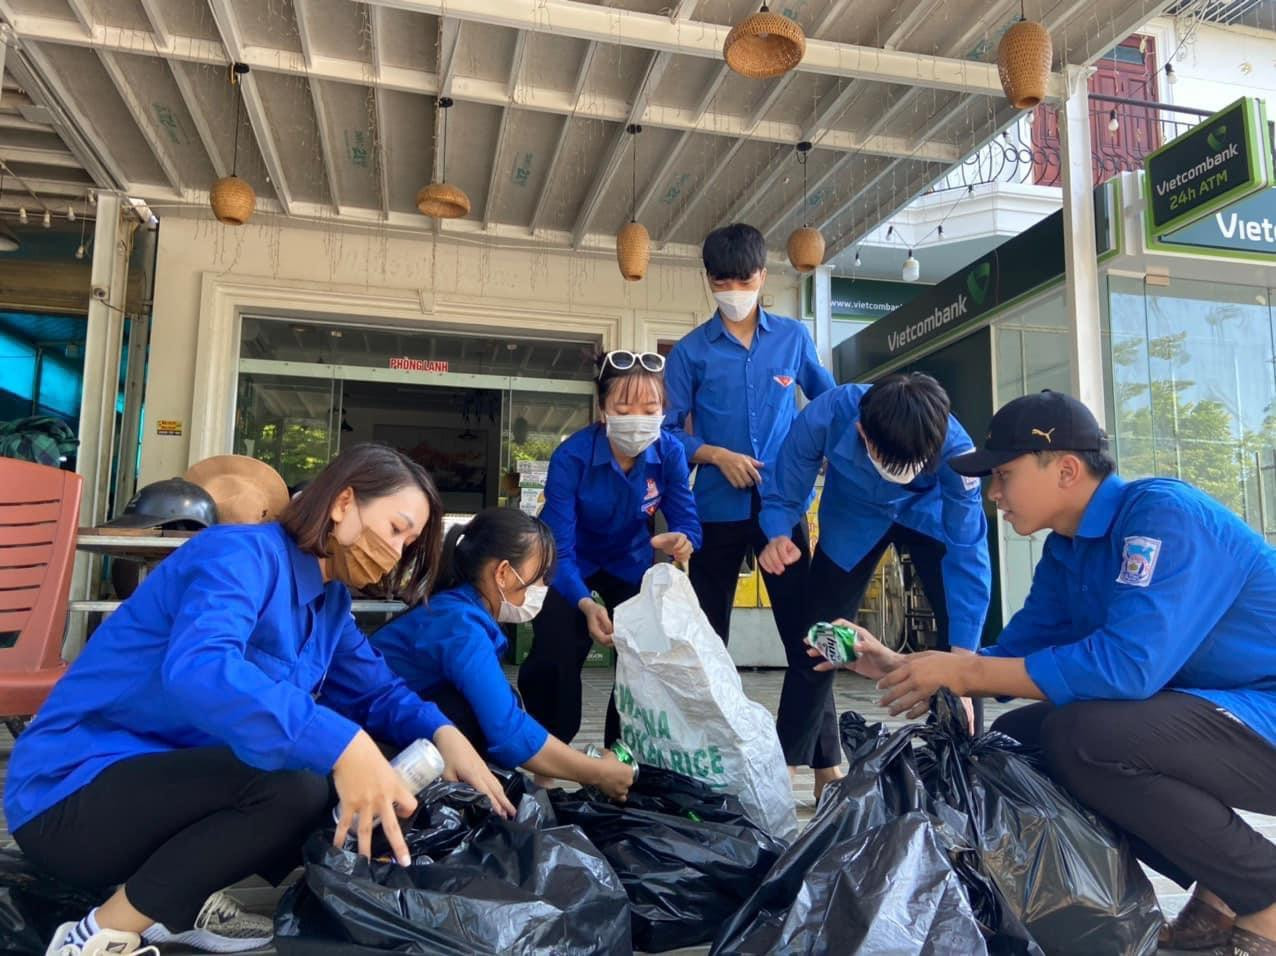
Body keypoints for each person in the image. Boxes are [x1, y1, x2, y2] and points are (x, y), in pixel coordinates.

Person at [7, 443, 514, 956]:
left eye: (410, 543)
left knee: (367, 781)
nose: (398, 551)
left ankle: (173, 902)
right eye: (396, 528)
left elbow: (379, 692)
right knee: (296, 785)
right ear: (343, 503)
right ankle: (96, 936)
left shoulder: (330, 603)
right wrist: (343, 744)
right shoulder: (239, 555)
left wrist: (446, 735)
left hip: (155, 792)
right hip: (67, 795)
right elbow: (202, 669)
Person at [819, 390, 1276, 956]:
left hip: (1263, 712)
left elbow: (1128, 667)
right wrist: (905, 665)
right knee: (1017, 744)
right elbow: (1010, 655)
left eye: (1004, 474)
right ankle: (1221, 891)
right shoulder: (1068, 549)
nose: (993, 494)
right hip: (1220, 719)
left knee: (1087, 737)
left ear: (1064, 469)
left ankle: (1264, 893)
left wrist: (964, 671)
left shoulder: (1162, 517)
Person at [663, 223, 836, 788]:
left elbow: (829, 405)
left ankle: (827, 761)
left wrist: (824, 460)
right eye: (722, 280)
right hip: (714, 505)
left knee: (805, 634)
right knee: (710, 638)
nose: (734, 288)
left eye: (744, 278)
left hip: (782, 509)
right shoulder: (689, 352)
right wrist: (713, 453)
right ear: (708, 282)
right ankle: (710, 764)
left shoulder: (793, 338)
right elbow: (666, 435)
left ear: (764, 277)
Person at [757, 373, 990, 781]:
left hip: (930, 518)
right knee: (822, 640)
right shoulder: (828, 415)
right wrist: (778, 531)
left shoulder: (957, 450)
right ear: (862, 432)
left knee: (961, 649)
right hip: (854, 519)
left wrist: (965, 662)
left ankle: (963, 772)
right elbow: (786, 484)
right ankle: (784, 770)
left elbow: (968, 553)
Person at [371, 507, 635, 799]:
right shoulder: (461, 626)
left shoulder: (457, 611)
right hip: (367, 743)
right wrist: (598, 772)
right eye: (539, 577)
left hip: (378, 728)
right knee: (476, 717)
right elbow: (507, 732)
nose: (543, 588)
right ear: (503, 573)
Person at [518, 349, 702, 748]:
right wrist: (585, 603)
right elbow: (559, 549)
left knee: (640, 658)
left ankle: (622, 754)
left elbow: (688, 521)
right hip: (570, 565)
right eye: (624, 405)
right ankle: (545, 758)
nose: (638, 417)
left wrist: (682, 542)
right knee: (556, 651)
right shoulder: (572, 456)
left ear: (663, 410)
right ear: (602, 408)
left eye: (650, 406)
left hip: (630, 562)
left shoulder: (669, 452)